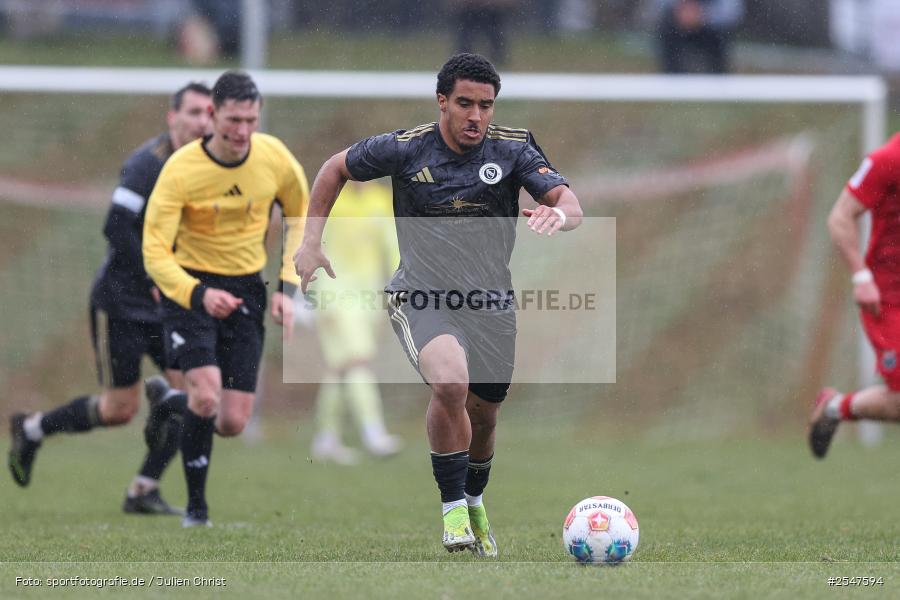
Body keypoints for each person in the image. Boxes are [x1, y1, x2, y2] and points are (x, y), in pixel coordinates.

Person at [294, 53, 583, 556]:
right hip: (420, 293)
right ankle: (452, 510)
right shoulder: (406, 149)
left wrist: (562, 216)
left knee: (485, 415)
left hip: (491, 300)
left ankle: (473, 500)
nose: (476, 116)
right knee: (450, 381)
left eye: (486, 105)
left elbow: (569, 202)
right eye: (465, 103)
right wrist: (310, 241)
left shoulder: (513, 149)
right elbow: (334, 167)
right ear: (442, 101)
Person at [7, 83, 212, 515]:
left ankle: (142, 489)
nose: (201, 121)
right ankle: (32, 428)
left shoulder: (207, 167)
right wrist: (158, 271)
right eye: (193, 112)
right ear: (172, 117)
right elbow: (115, 227)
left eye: (208, 113)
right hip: (121, 302)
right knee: (119, 409)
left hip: (169, 304)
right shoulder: (145, 164)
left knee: (192, 395)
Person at [142, 70, 308, 527]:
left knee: (233, 421)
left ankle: (171, 399)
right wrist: (197, 293)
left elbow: (300, 217)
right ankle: (197, 510)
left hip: (246, 289)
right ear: (212, 115)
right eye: (233, 119)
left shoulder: (274, 158)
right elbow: (154, 250)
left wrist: (286, 288)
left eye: (251, 120)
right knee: (208, 395)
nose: (242, 131)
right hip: (190, 288)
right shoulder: (181, 169)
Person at [809, 133, 900, 459]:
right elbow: (840, 216)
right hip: (888, 298)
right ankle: (835, 408)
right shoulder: (889, 158)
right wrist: (861, 276)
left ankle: (834, 407)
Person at [304, 181, 403, 465]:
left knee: (340, 367)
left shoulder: (381, 200)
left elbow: (392, 245)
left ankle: (326, 438)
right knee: (359, 360)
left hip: (368, 297)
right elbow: (311, 245)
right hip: (333, 294)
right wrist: (311, 297)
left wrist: (400, 285)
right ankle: (374, 432)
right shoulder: (332, 201)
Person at [656, 0, 744, 74]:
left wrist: (703, 14)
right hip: (677, 25)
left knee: (721, 34)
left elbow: (732, 11)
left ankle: (719, 79)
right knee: (666, 30)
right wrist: (679, 10)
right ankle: (672, 78)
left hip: (710, 26)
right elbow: (658, 6)